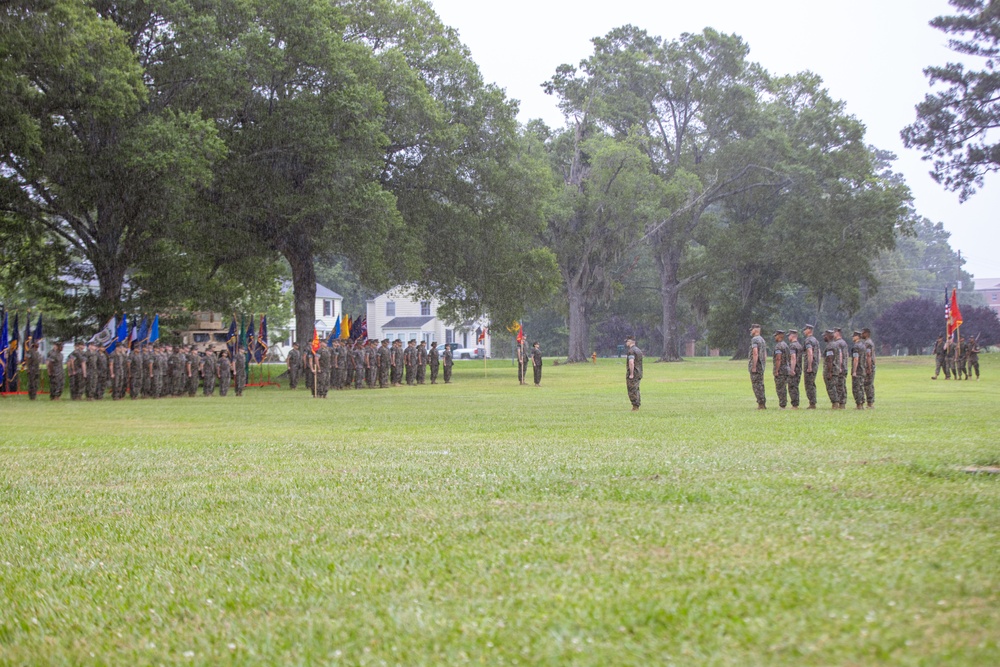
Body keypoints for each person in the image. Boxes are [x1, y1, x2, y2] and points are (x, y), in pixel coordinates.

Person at [748, 324, 767, 409]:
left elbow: (755, 353)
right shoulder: (762, 340)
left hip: (757, 365)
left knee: (756, 385)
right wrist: (763, 364)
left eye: (751, 330)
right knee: (761, 384)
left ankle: (761, 404)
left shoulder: (755, 340)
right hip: (761, 366)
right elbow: (765, 354)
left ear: (755, 330)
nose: (750, 331)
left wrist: (754, 366)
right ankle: (762, 402)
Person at [801, 324, 819, 409]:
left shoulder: (808, 341)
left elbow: (809, 353)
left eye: (805, 329)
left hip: (810, 365)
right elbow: (818, 353)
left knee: (809, 384)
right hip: (815, 364)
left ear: (809, 330)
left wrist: (809, 366)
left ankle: (812, 403)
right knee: (812, 383)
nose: (804, 331)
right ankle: (813, 402)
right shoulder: (815, 340)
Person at [772, 330, 790, 409]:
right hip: (786, 369)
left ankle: (782, 405)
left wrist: (776, 370)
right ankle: (784, 403)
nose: (775, 337)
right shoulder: (785, 345)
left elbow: (778, 358)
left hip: (781, 370)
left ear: (779, 336)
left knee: (780, 388)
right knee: (783, 387)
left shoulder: (778, 346)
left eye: (775, 335)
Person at [822, 330, 840, 408]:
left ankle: (835, 403)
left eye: (825, 336)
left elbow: (830, 359)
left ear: (829, 336)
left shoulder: (830, 346)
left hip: (831, 370)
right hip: (836, 369)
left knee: (831, 387)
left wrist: (829, 372)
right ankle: (836, 403)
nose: (824, 337)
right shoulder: (835, 345)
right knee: (834, 387)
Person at [850, 330, 867, 409]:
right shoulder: (863, 346)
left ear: (857, 337)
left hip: (858, 370)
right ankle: (862, 403)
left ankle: (859, 404)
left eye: (854, 336)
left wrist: (854, 371)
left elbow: (856, 359)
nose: (852, 337)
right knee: (861, 387)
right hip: (863, 369)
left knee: (856, 388)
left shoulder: (856, 346)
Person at [625, 335, 643, 411]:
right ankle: (637, 404)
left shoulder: (631, 351)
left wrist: (631, 374)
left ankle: (635, 406)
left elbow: (631, 362)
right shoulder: (638, 350)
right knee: (636, 389)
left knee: (632, 389)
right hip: (639, 372)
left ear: (630, 342)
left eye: (627, 341)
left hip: (634, 373)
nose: (626, 343)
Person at [832, 328, 849, 409]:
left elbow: (840, 355)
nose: (833, 334)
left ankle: (840, 403)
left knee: (839, 386)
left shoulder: (838, 343)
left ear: (837, 333)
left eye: (834, 332)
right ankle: (843, 403)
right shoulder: (844, 343)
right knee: (842, 385)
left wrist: (839, 366)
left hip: (840, 367)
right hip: (844, 367)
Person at [787, 329, 802, 409]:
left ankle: (794, 405)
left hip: (794, 369)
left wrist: (791, 369)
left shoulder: (792, 346)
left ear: (792, 336)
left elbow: (793, 358)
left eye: (789, 335)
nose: (788, 337)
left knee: (792, 387)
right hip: (799, 369)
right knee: (795, 386)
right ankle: (796, 403)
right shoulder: (799, 345)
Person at [861, 327, 876, 408]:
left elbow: (868, 356)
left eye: (862, 333)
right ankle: (870, 402)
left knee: (868, 385)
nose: (861, 334)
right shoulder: (870, 342)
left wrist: (869, 368)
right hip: (870, 366)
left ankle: (870, 403)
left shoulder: (868, 343)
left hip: (868, 367)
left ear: (866, 333)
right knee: (869, 384)